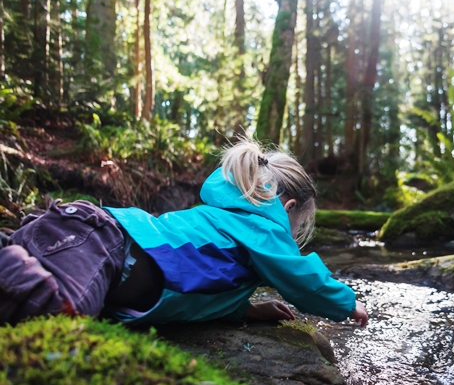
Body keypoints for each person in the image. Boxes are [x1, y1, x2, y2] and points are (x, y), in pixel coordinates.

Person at [0, 137, 369, 328]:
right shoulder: (261, 226)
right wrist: (346, 303)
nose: (288, 238)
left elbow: (198, 281)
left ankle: (12, 248)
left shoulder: (226, 223)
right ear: (287, 208)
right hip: (103, 244)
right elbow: (301, 279)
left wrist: (243, 310)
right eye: (295, 227)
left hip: (79, 235)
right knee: (55, 319)